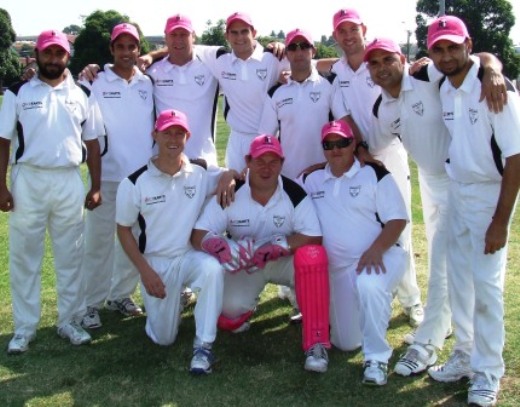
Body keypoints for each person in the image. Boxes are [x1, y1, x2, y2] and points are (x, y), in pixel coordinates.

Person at [425, 16, 520, 407]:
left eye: (453, 47)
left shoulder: (497, 92)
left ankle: (487, 372)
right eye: (438, 48)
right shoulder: (444, 87)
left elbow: (516, 160)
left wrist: (499, 222)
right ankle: (465, 355)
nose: (446, 55)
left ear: (468, 45)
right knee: (459, 278)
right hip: (457, 193)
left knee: (486, 287)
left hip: (489, 196)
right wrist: (490, 62)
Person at [191, 134, 330, 373]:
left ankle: (316, 342)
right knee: (228, 314)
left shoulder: (295, 193)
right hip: (248, 263)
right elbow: (197, 235)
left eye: (273, 161)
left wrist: (279, 244)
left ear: (282, 163)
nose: (266, 168)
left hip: (285, 262)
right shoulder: (231, 191)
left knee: (313, 256)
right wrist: (223, 247)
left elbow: (314, 237)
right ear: (248, 161)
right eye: (259, 160)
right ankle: (248, 305)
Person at [0, 30, 103, 353]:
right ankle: (24, 327)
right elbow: (3, 141)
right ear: (37, 55)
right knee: (25, 256)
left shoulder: (83, 92)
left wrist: (96, 185)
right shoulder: (17, 92)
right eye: (48, 53)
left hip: (69, 179)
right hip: (28, 179)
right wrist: (1, 185)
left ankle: (69, 320)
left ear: (67, 57)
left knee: (71, 255)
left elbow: (93, 142)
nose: (53, 59)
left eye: (59, 53)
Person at [116, 109, 235, 374]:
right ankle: (171, 302)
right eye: (167, 132)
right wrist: (144, 272)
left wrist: (229, 174)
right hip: (156, 263)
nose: (173, 138)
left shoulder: (199, 171)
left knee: (213, 269)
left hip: (189, 255)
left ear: (187, 136)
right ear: (154, 135)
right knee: (163, 339)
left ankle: (203, 345)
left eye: (179, 133)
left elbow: (232, 174)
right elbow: (123, 230)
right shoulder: (134, 182)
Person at [363, 37, 453, 376]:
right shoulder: (382, 108)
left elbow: (473, 64)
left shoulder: (427, 76)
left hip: (462, 178)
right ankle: (445, 329)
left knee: (447, 261)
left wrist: (490, 66)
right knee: (442, 257)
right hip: (430, 182)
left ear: (402, 58)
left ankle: (428, 341)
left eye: (388, 59)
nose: (382, 68)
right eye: (374, 63)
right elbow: (371, 150)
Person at [329, 8, 423, 327]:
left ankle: (412, 300)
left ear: (363, 28)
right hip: (358, 156)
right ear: (335, 36)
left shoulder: (379, 61)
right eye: (341, 31)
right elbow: (344, 119)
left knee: (401, 229)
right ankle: (375, 291)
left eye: (352, 29)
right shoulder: (337, 72)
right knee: (368, 227)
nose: (348, 35)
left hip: (391, 153)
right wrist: (362, 151)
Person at [299, 120, 408, 385]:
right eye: (329, 144)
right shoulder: (310, 179)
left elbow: (397, 219)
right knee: (346, 343)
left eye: (342, 143)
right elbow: (276, 189)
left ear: (353, 145)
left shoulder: (374, 174)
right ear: (323, 148)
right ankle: (371, 310)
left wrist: (376, 249)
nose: (336, 149)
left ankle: (376, 360)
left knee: (370, 285)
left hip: (381, 255)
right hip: (337, 269)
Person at [79, 23, 155, 329]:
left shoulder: (147, 83)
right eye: (120, 47)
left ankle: (121, 295)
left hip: (140, 178)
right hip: (107, 177)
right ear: (112, 50)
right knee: (98, 243)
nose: (126, 52)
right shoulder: (94, 80)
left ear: (138, 50)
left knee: (134, 240)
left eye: (132, 47)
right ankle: (90, 303)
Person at [257, 28, 352, 180]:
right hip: (288, 177)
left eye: (304, 46)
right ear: (286, 54)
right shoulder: (275, 93)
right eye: (293, 47)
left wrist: (361, 150)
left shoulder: (329, 84)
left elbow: (345, 123)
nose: (299, 51)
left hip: (325, 176)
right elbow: (265, 138)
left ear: (313, 51)